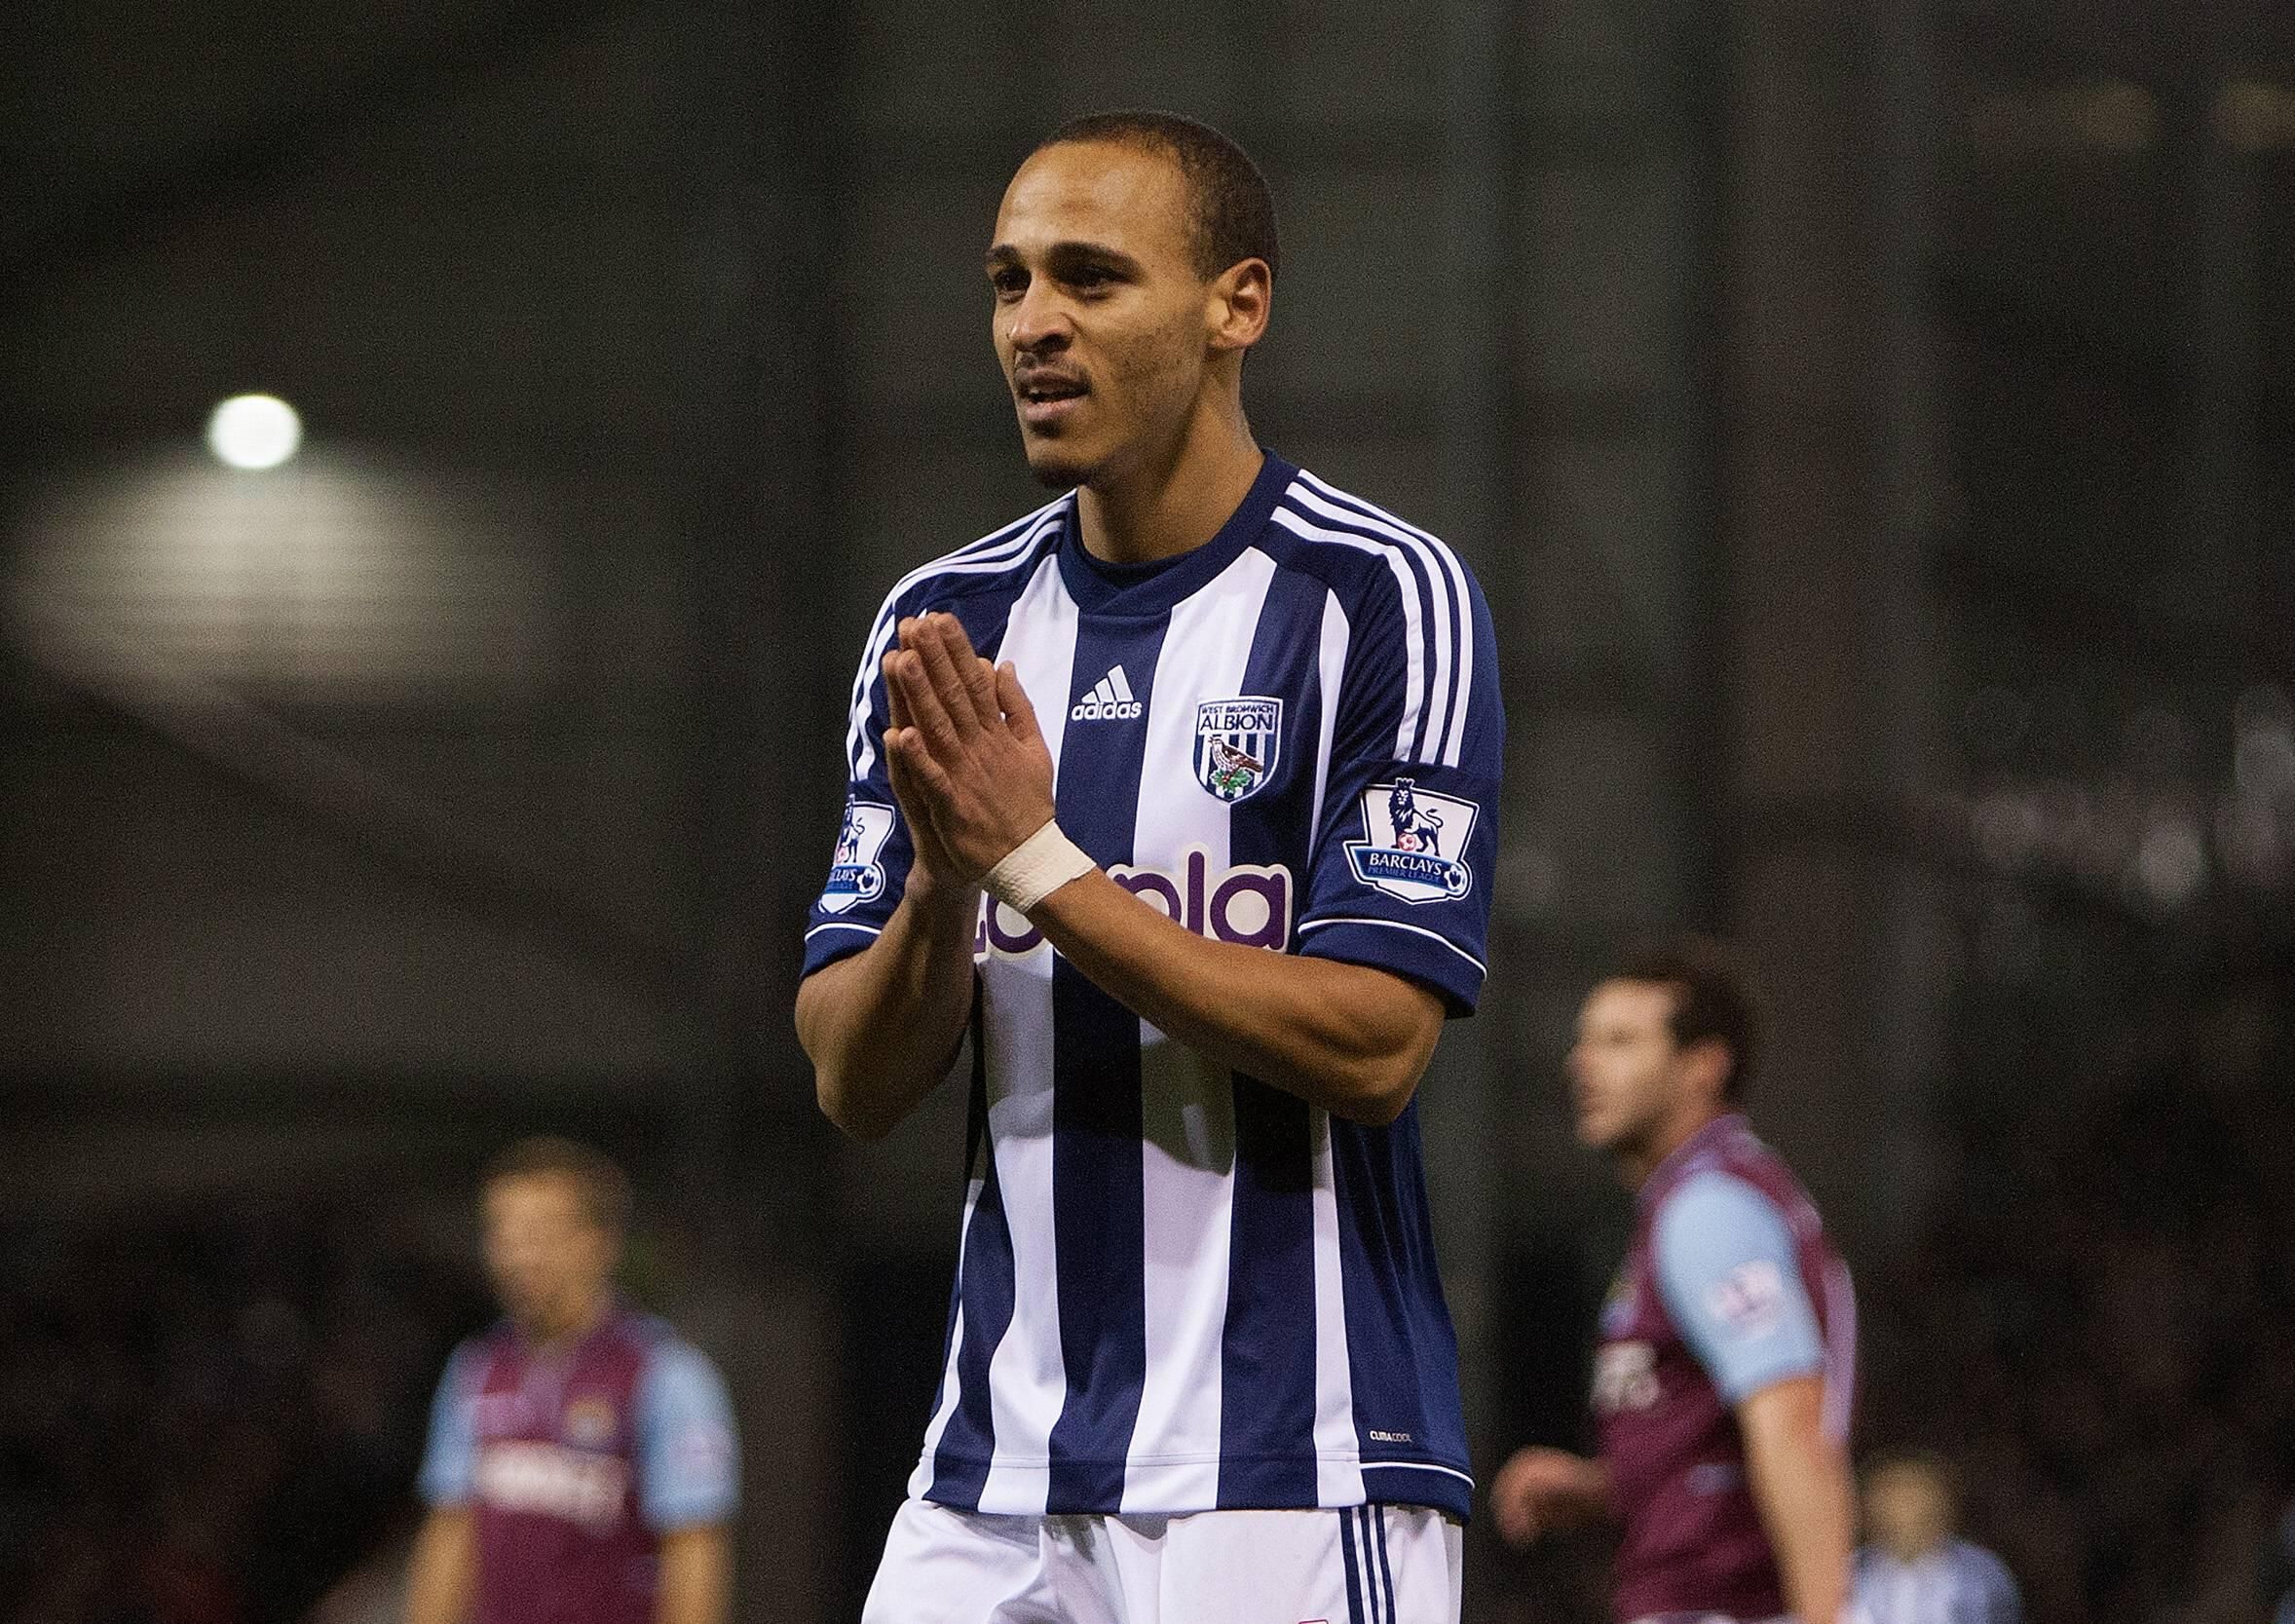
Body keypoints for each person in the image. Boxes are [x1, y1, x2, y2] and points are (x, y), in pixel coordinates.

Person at [795, 109, 1503, 1622]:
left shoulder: (1380, 597)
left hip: (1292, 1465)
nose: (1034, 325)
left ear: (1235, 304)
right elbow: (853, 1083)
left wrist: (1034, 860)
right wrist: (941, 884)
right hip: (992, 1469)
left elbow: (1377, 1045)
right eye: (1008, 282)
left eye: (1092, 278)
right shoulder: (945, 622)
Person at [1490, 944, 1857, 1624]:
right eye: (1585, 1040)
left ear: (1702, 1067)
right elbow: (1719, 1439)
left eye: (1621, 1040)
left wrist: (1825, 1617)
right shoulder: (1705, 1196)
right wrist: (1606, 1485)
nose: (1583, 1063)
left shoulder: (1708, 1210)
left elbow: (1793, 1423)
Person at [402, 1137, 737, 1624]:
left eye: (537, 1233)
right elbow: (451, 1532)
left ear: (599, 1241)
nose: (516, 1257)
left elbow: (695, 1554)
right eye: (502, 1234)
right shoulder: (475, 1369)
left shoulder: (668, 1376)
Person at [1852, 1453, 2020, 1624]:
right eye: (1889, 1497)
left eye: (1914, 1498)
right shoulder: (1848, 1573)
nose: (1903, 1511)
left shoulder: (1981, 1574)